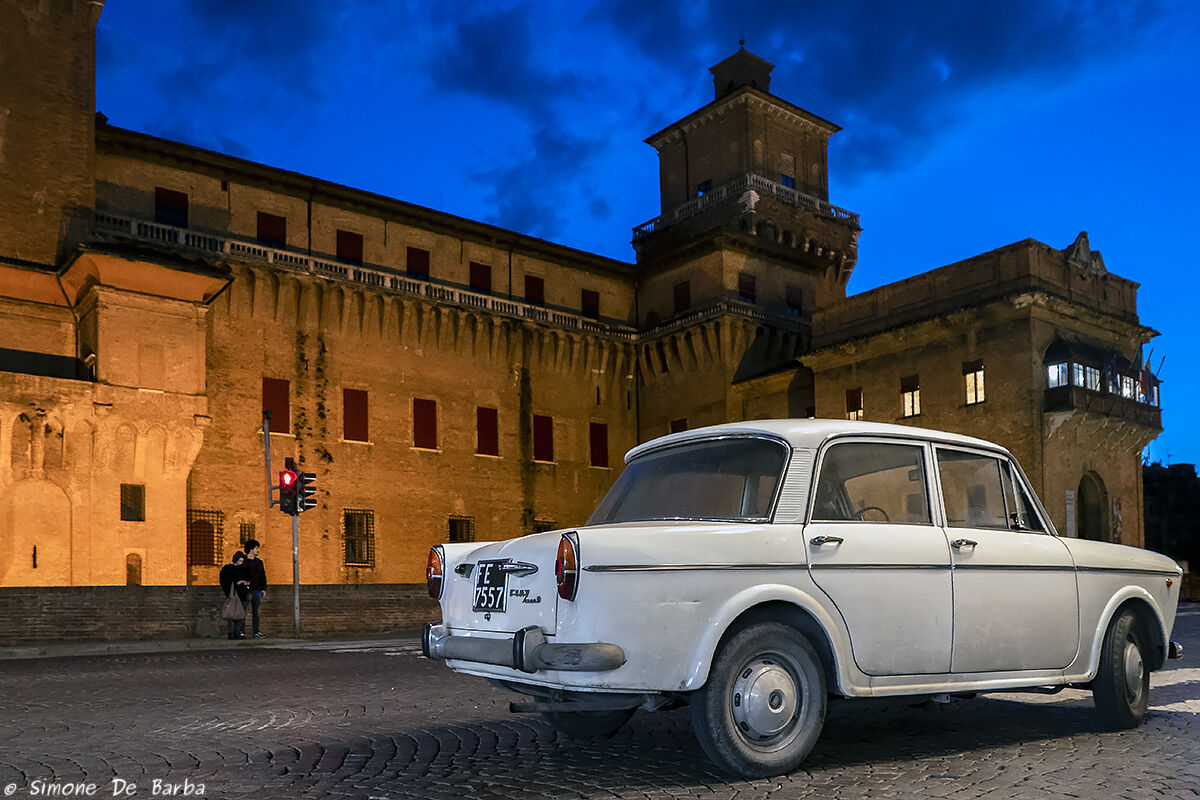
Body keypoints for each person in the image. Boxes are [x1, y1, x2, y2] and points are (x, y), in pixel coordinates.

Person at [219, 551, 251, 640]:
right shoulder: (228, 569)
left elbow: (248, 579)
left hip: (241, 594)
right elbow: (225, 582)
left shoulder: (243, 568)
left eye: (242, 561)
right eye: (240, 561)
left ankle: (236, 632)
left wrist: (244, 582)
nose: (241, 563)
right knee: (232, 615)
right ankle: (233, 632)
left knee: (240, 615)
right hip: (233, 594)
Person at [243, 539, 267, 638]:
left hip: (257, 590)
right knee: (243, 611)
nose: (258, 550)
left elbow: (263, 576)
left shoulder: (259, 562)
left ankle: (256, 631)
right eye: (256, 548)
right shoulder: (243, 561)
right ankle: (241, 631)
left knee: (256, 611)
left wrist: (263, 589)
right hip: (245, 591)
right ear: (251, 549)